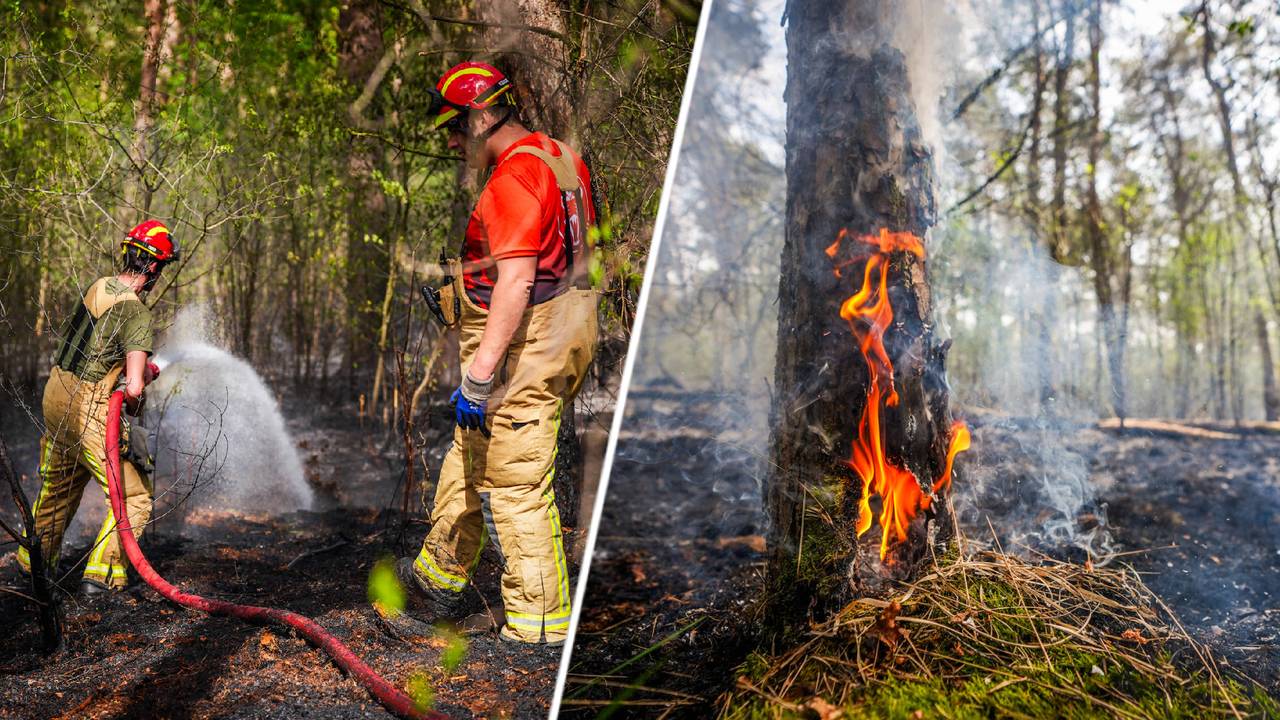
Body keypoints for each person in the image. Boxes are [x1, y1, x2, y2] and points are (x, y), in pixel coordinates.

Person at [396, 61, 598, 646]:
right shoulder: (561, 158)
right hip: (559, 326)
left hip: (524, 343)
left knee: (514, 482)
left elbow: (516, 282)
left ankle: (538, 627)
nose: (454, 141)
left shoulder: (511, 180)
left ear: (484, 115)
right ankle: (439, 576)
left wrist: (481, 375)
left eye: (457, 128)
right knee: (471, 452)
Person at [17, 220, 175, 594]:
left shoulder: (98, 286)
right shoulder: (137, 312)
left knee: (60, 485)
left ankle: (32, 568)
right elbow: (133, 389)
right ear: (154, 267)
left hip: (56, 394)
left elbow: (96, 346)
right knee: (134, 497)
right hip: (89, 407)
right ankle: (103, 578)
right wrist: (141, 378)